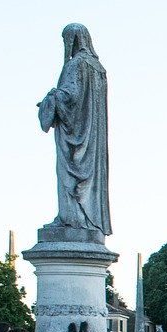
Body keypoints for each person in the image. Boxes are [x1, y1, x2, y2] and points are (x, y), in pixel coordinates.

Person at [38, 24, 111, 236]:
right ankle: (86, 218)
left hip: (73, 134)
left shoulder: (74, 65)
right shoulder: (98, 69)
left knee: (67, 174)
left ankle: (71, 218)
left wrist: (50, 99)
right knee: (88, 179)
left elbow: (69, 97)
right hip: (93, 139)